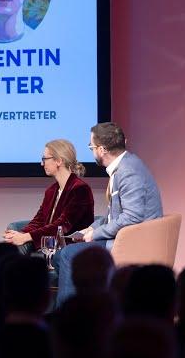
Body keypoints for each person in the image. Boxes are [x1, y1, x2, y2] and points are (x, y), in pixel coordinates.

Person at [53, 122, 163, 306]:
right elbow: (115, 214)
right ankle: (90, 306)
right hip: (125, 235)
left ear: (102, 150)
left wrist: (94, 235)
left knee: (67, 256)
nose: (91, 150)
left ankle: (67, 316)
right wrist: (91, 228)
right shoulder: (126, 165)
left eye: (91, 147)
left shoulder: (128, 172)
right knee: (59, 256)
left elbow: (131, 217)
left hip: (132, 242)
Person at [3, 139, 94, 256]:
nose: (42, 164)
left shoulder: (80, 189)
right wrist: (19, 235)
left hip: (68, 248)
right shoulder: (51, 190)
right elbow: (39, 220)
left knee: (21, 245)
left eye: (45, 159)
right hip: (49, 244)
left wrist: (26, 237)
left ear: (59, 161)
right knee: (13, 235)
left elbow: (62, 226)